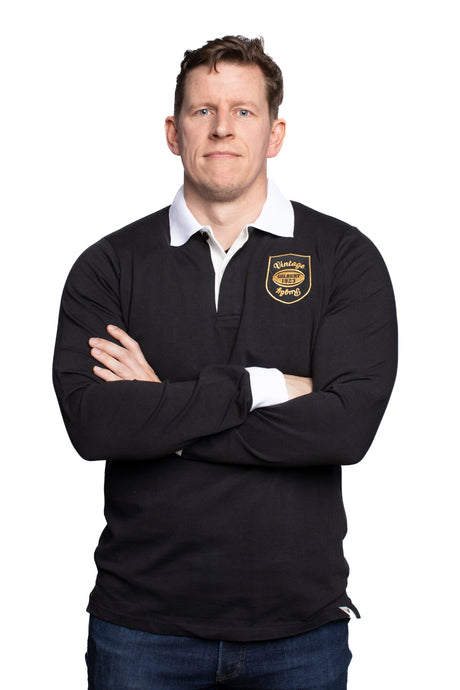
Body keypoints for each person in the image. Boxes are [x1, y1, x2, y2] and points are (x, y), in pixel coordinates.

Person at [53, 35, 398, 690]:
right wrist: (260, 387)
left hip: (300, 632)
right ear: (173, 132)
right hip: (142, 629)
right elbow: (96, 426)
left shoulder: (344, 258)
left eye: (243, 111)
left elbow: (345, 429)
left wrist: (164, 412)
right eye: (202, 110)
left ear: (275, 133)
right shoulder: (109, 267)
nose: (222, 128)